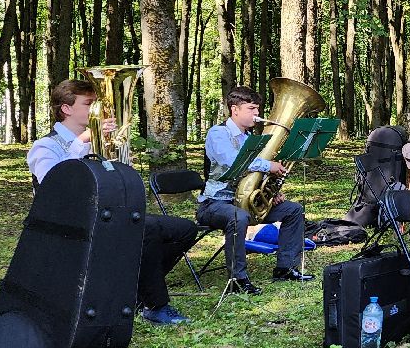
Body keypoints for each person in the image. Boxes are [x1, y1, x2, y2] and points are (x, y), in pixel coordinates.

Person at [27, 78, 198, 325]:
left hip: (104, 214)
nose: (96, 110)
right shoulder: (45, 146)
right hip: (70, 222)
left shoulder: (96, 142)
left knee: (184, 229)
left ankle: (135, 291)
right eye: (88, 104)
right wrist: (83, 142)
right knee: (145, 229)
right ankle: (155, 305)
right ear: (66, 108)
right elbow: (56, 184)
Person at [198, 86, 311, 296]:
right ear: (235, 109)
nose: (257, 114)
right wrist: (269, 166)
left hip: (246, 203)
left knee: (293, 210)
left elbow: (254, 177)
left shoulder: (250, 138)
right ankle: (238, 279)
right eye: (251, 109)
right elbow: (232, 162)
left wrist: (270, 192)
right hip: (214, 204)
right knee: (238, 217)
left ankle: (285, 268)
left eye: (257, 109)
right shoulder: (218, 133)